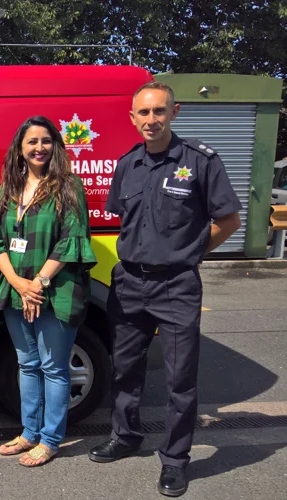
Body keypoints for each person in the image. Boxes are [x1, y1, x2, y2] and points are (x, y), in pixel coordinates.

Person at [87, 82, 242, 497]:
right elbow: (122, 218)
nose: (151, 120)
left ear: (175, 112)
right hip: (130, 282)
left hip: (176, 284)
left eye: (159, 111)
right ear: (132, 118)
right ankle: (126, 435)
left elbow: (229, 220)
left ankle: (174, 460)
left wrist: (192, 251)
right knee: (124, 368)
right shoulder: (128, 164)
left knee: (179, 379)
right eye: (144, 113)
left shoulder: (200, 161)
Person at [0, 116, 97, 467]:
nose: (39, 147)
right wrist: (18, 284)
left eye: (46, 141)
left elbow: (72, 239)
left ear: (55, 146)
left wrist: (38, 285)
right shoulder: (10, 188)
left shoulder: (68, 186)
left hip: (54, 290)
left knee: (54, 368)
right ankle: (29, 433)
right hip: (16, 289)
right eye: (32, 141)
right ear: (20, 148)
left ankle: (50, 440)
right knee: (27, 365)